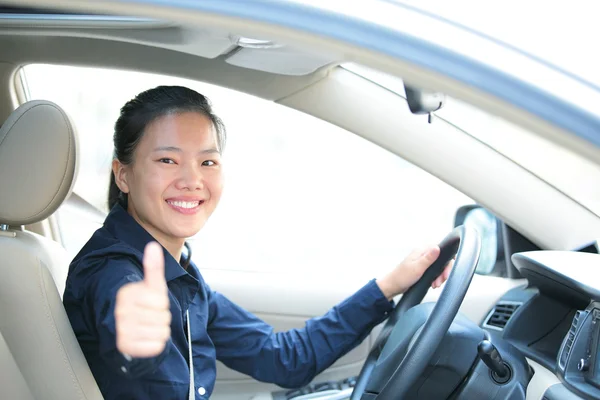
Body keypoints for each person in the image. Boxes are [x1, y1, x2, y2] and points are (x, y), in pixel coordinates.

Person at [63, 86, 452, 400]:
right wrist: (135, 344)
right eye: (167, 160)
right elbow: (127, 329)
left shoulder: (179, 275)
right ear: (123, 175)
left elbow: (282, 359)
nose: (191, 180)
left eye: (207, 162)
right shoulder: (116, 272)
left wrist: (391, 284)